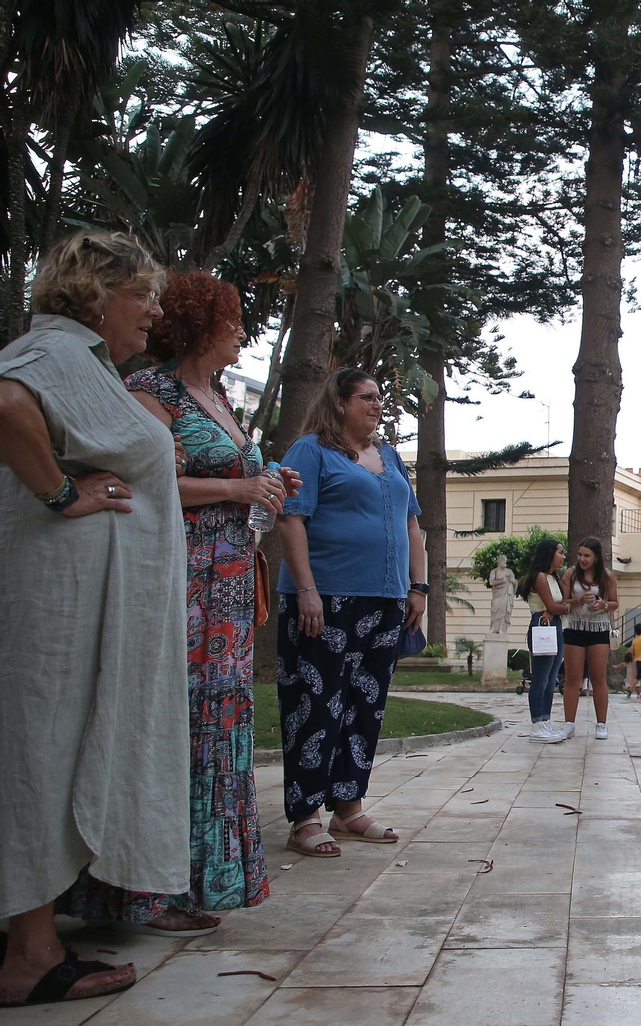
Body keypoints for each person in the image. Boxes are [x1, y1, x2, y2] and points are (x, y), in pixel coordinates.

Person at [55, 271, 300, 939]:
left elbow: (230, 480)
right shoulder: (151, 392)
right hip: (177, 579)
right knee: (168, 724)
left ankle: (198, 879)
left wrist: (265, 483)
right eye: (234, 320)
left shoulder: (216, 397)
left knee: (216, 727)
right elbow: (141, 481)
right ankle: (137, 892)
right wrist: (242, 490)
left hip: (225, 586)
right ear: (202, 324)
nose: (243, 332)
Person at [0, 231, 185, 1006]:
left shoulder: (86, 361)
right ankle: (31, 957)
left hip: (84, 607)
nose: (153, 309)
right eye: (141, 293)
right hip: (58, 610)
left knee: (54, 752)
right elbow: (6, 404)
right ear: (94, 293)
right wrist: (61, 496)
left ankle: (30, 941)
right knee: (40, 756)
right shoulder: (52, 356)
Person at [276, 369, 426, 856]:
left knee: (365, 707)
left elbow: (412, 524)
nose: (377, 404)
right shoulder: (311, 450)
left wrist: (418, 587)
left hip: (386, 600)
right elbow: (291, 518)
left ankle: (349, 810)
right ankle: (305, 818)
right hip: (326, 599)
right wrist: (307, 590)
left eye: (379, 397)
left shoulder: (390, 457)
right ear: (340, 403)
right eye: (367, 396)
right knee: (315, 706)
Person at [560, 537, 618, 738]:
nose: (582, 559)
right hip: (575, 626)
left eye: (587, 555)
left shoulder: (607, 576)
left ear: (596, 557)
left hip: (598, 628)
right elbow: (562, 601)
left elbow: (614, 603)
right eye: (580, 555)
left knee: (598, 677)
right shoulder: (571, 574)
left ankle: (601, 723)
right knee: (572, 678)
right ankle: (569, 723)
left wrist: (603, 605)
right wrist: (578, 600)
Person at [517, 538, 569, 743]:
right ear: (549, 554)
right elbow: (556, 606)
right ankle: (537, 724)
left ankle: (545, 720)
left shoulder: (554, 578)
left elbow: (563, 602)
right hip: (543, 625)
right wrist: (561, 609)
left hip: (555, 624)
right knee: (540, 677)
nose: (563, 556)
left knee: (551, 678)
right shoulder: (539, 577)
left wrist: (560, 608)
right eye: (560, 552)